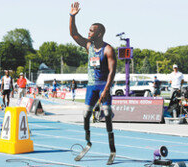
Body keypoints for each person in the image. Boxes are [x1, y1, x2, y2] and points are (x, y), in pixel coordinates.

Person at [69, 2, 116, 164]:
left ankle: (112, 149)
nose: (88, 32)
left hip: (104, 85)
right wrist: (72, 17)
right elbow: (74, 34)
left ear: (100, 33)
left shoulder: (108, 49)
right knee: (86, 115)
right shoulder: (88, 46)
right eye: (88, 30)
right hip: (91, 86)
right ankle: (88, 141)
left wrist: (106, 90)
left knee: (108, 116)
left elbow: (112, 71)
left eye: (91, 30)